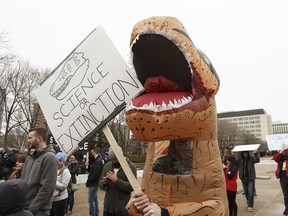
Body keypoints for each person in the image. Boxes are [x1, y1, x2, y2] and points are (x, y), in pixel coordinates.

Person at [21, 127, 58, 216]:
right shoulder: (29, 158)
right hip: (24, 207)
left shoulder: (50, 157)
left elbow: (47, 187)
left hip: (39, 210)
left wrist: (31, 209)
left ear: (39, 139)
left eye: (30, 138)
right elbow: (22, 182)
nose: (27, 140)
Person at [99, 147, 137, 216]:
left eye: (115, 159)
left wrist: (117, 180)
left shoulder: (131, 167)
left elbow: (132, 187)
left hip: (122, 209)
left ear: (121, 156)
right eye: (112, 159)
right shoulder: (107, 166)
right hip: (108, 208)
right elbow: (100, 184)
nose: (113, 161)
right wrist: (104, 182)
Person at [50, 152, 71, 216]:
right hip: (51, 199)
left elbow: (63, 186)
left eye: (60, 161)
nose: (58, 162)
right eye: (57, 160)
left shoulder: (66, 171)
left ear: (63, 161)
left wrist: (53, 181)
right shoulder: (52, 169)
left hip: (60, 199)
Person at [85, 147, 103, 216]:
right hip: (94, 183)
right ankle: (95, 214)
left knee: (91, 200)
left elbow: (95, 173)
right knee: (94, 200)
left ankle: (92, 214)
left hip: (94, 183)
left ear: (95, 152)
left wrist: (89, 181)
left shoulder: (98, 161)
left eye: (92, 152)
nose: (91, 153)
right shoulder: (97, 160)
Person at [272, 148, 288, 215]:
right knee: (286, 195)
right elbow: (274, 158)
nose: (283, 152)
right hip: (282, 178)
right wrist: (280, 152)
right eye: (283, 151)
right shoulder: (280, 158)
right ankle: (287, 208)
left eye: (285, 151)